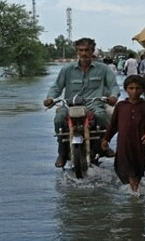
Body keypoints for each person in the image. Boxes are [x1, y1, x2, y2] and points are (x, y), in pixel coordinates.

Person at [43, 37, 120, 168]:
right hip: (70, 105)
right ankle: (62, 153)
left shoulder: (103, 69)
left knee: (102, 117)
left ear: (92, 51)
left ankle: (102, 146)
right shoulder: (67, 69)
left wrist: (113, 96)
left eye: (87, 50)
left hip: (94, 105)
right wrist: (50, 98)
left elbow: (114, 86)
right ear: (77, 51)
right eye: (81, 50)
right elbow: (56, 87)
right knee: (59, 119)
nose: (84, 53)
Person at [101, 75, 145, 195]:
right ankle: (135, 194)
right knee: (126, 168)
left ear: (142, 90)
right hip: (124, 143)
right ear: (126, 89)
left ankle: (135, 193)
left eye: (137, 88)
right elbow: (113, 125)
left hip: (139, 143)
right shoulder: (121, 106)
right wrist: (106, 139)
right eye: (131, 88)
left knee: (138, 168)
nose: (134, 91)